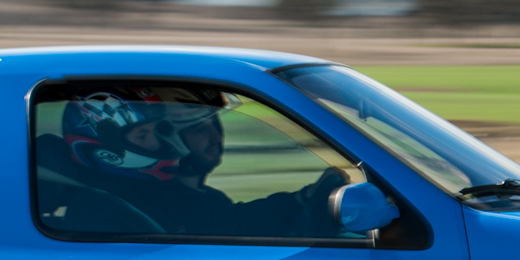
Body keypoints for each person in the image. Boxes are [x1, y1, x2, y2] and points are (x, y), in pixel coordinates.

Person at [63, 89, 343, 237]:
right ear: (106, 151)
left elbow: (227, 224)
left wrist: (298, 200)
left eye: (215, 124)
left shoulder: (180, 197)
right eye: (143, 135)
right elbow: (215, 231)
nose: (159, 144)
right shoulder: (103, 208)